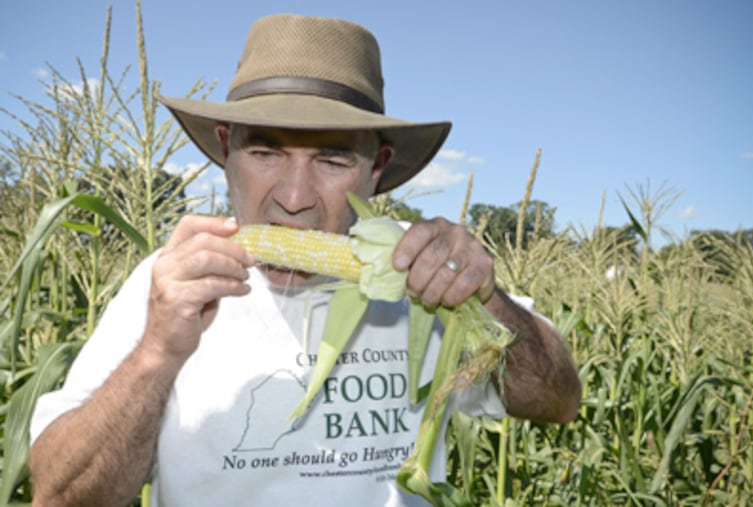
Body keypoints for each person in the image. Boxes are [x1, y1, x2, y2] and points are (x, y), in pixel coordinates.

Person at [28, 14, 580, 507]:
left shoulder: (425, 275)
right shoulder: (167, 286)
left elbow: (559, 401)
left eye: (333, 159)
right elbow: (60, 495)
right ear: (226, 149)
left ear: (377, 168)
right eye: (265, 153)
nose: (294, 197)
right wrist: (154, 355)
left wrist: (488, 300)